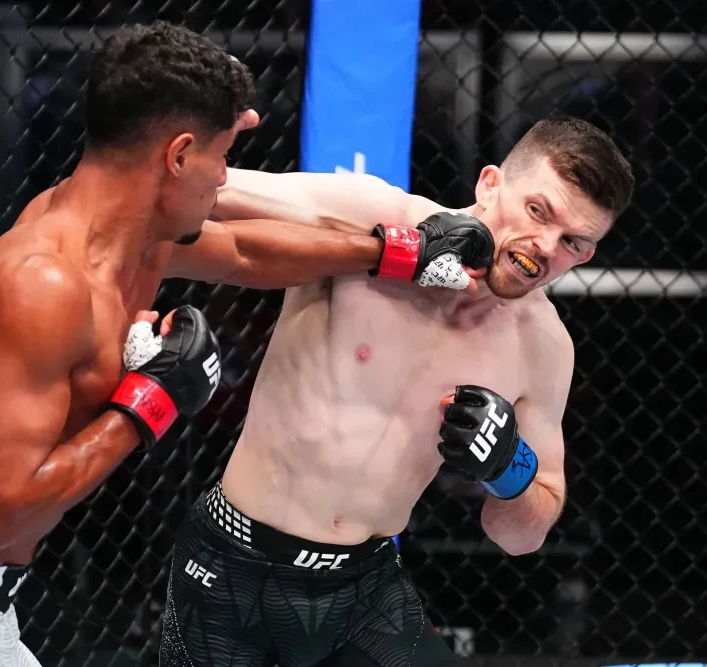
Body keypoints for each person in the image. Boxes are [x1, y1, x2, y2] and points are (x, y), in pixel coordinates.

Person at [0, 22, 432, 667]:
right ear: (178, 155)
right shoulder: (43, 283)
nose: (224, 178)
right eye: (221, 156)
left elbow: (245, 253)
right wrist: (152, 401)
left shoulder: (137, 239)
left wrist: (394, 253)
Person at [159, 116, 635, 667]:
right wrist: (382, 250)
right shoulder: (376, 213)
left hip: (365, 588)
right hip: (233, 563)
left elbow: (521, 535)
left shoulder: (544, 347)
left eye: (573, 241)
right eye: (538, 211)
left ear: (586, 255)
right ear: (489, 185)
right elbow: (201, 193)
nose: (546, 247)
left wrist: (509, 468)